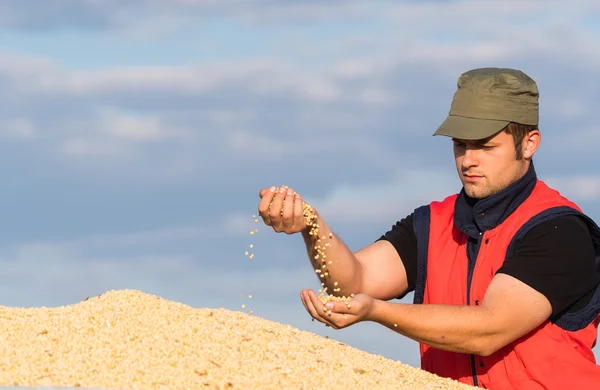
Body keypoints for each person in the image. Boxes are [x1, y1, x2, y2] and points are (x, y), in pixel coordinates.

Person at [257, 67, 600, 389]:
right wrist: (312, 226)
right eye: (460, 144)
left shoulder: (560, 229)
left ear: (529, 144)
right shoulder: (433, 222)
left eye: (485, 145)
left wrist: (377, 312)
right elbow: (355, 281)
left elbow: (490, 329)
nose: (468, 159)